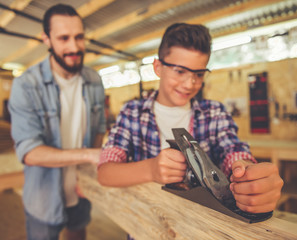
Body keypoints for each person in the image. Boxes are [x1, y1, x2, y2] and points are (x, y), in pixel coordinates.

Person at [97, 23, 283, 218]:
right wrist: (150, 169)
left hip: (204, 224)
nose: (189, 83)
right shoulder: (132, 112)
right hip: (147, 220)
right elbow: (105, 173)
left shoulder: (214, 113)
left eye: (199, 74)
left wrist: (245, 173)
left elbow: (233, 151)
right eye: (179, 71)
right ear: (158, 67)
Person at [9, 4, 106, 240]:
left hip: (81, 191)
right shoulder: (27, 85)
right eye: (64, 38)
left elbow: (99, 129)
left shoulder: (93, 80)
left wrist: (87, 176)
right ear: (47, 39)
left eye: (79, 37)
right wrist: (88, 155)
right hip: (43, 198)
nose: (74, 47)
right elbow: (30, 152)